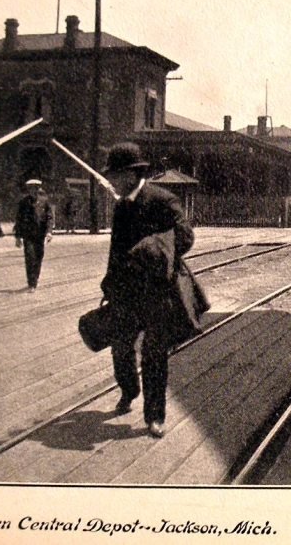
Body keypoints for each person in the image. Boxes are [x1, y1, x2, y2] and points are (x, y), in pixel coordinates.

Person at [100, 142, 202, 438]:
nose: (112, 182)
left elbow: (185, 237)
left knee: (155, 354)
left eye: (115, 176)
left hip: (159, 290)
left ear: (132, 174)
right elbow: (115, 249)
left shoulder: (163, 199)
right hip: (126, 292)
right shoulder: (121, 207)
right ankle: (129, 390)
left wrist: (152, 250)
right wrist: (110, 283)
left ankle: (155, 416)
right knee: (120, 346)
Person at [14, 179, 53, 292]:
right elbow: (19, 220)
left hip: (40, 234)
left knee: (39, 257)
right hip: (28, 234)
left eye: (35, 188)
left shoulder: (44, 202)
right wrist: (17, 237)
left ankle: (35, 279)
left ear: (38, 189)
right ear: (28, 189)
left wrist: (49, 232)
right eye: (31, 188)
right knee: (30, 257)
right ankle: (32, 283)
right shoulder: (23, 202)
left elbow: (49, 218)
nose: (33, 191)